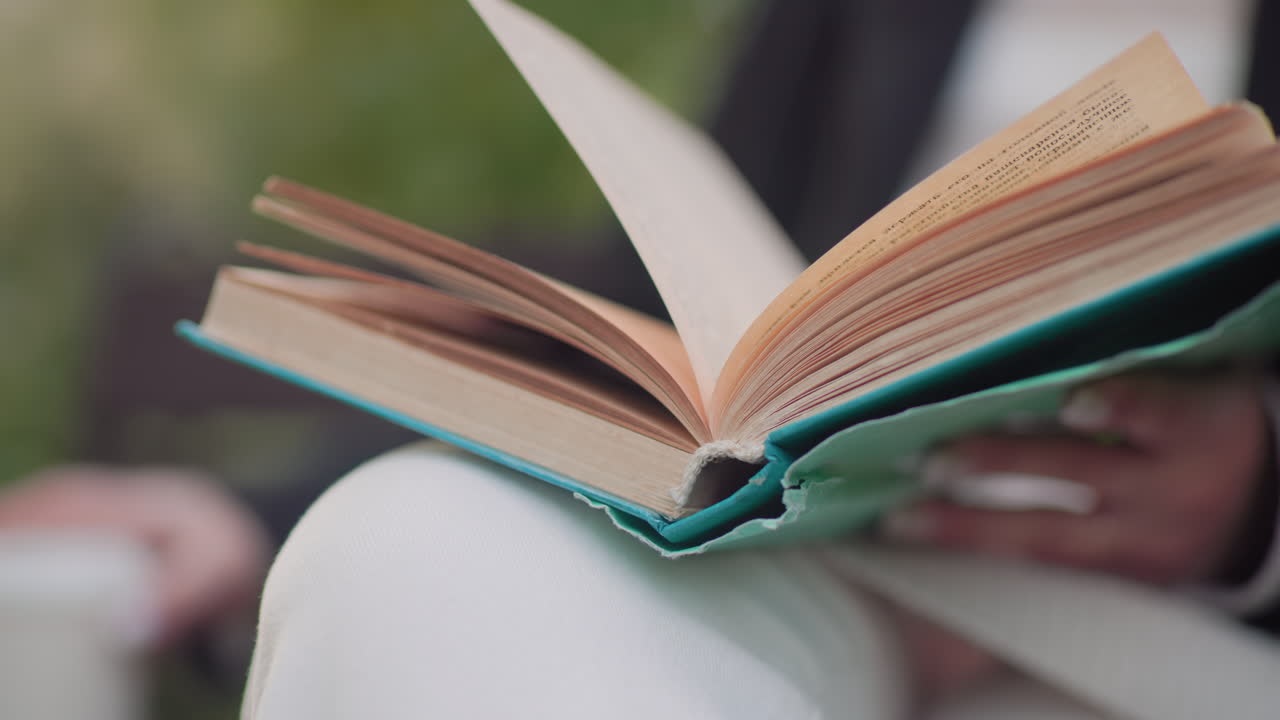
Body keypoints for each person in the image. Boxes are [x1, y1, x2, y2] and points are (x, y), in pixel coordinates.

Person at [3, 0, 1279, 716]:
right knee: (402, 547)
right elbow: (664, 293)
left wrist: (1256, 503)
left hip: (1190, 626)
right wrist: (245, 510)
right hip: (845, 563)